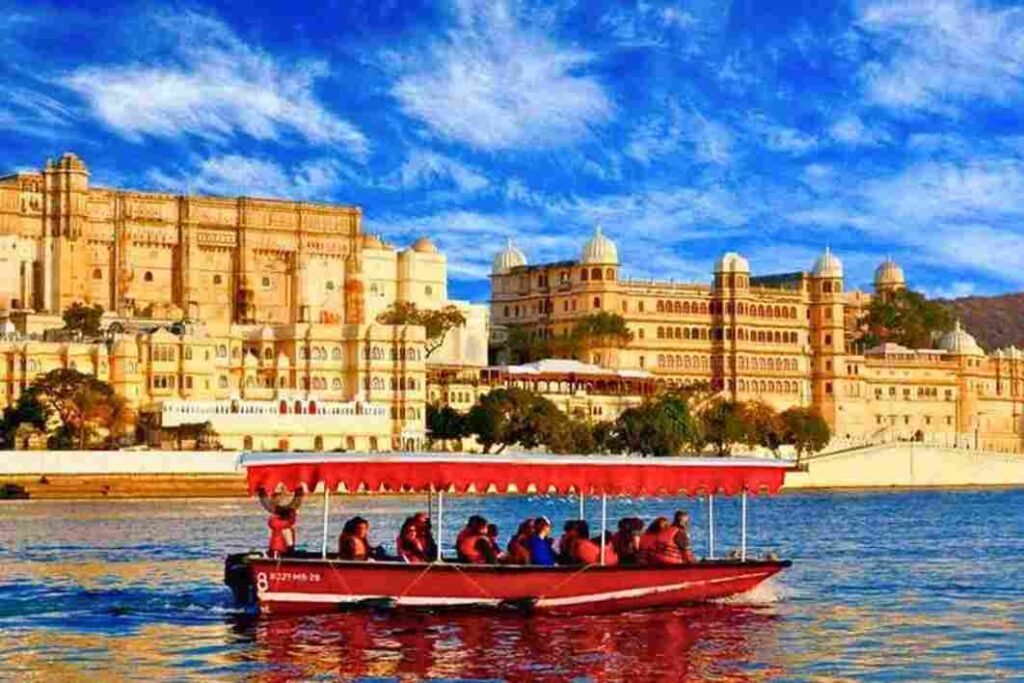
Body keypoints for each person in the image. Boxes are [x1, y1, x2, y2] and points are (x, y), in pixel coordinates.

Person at [258, 487, 304, 558]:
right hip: (279, 550)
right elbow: (289, 542)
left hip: (277, 550)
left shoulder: (281, 523)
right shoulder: (284, 524)